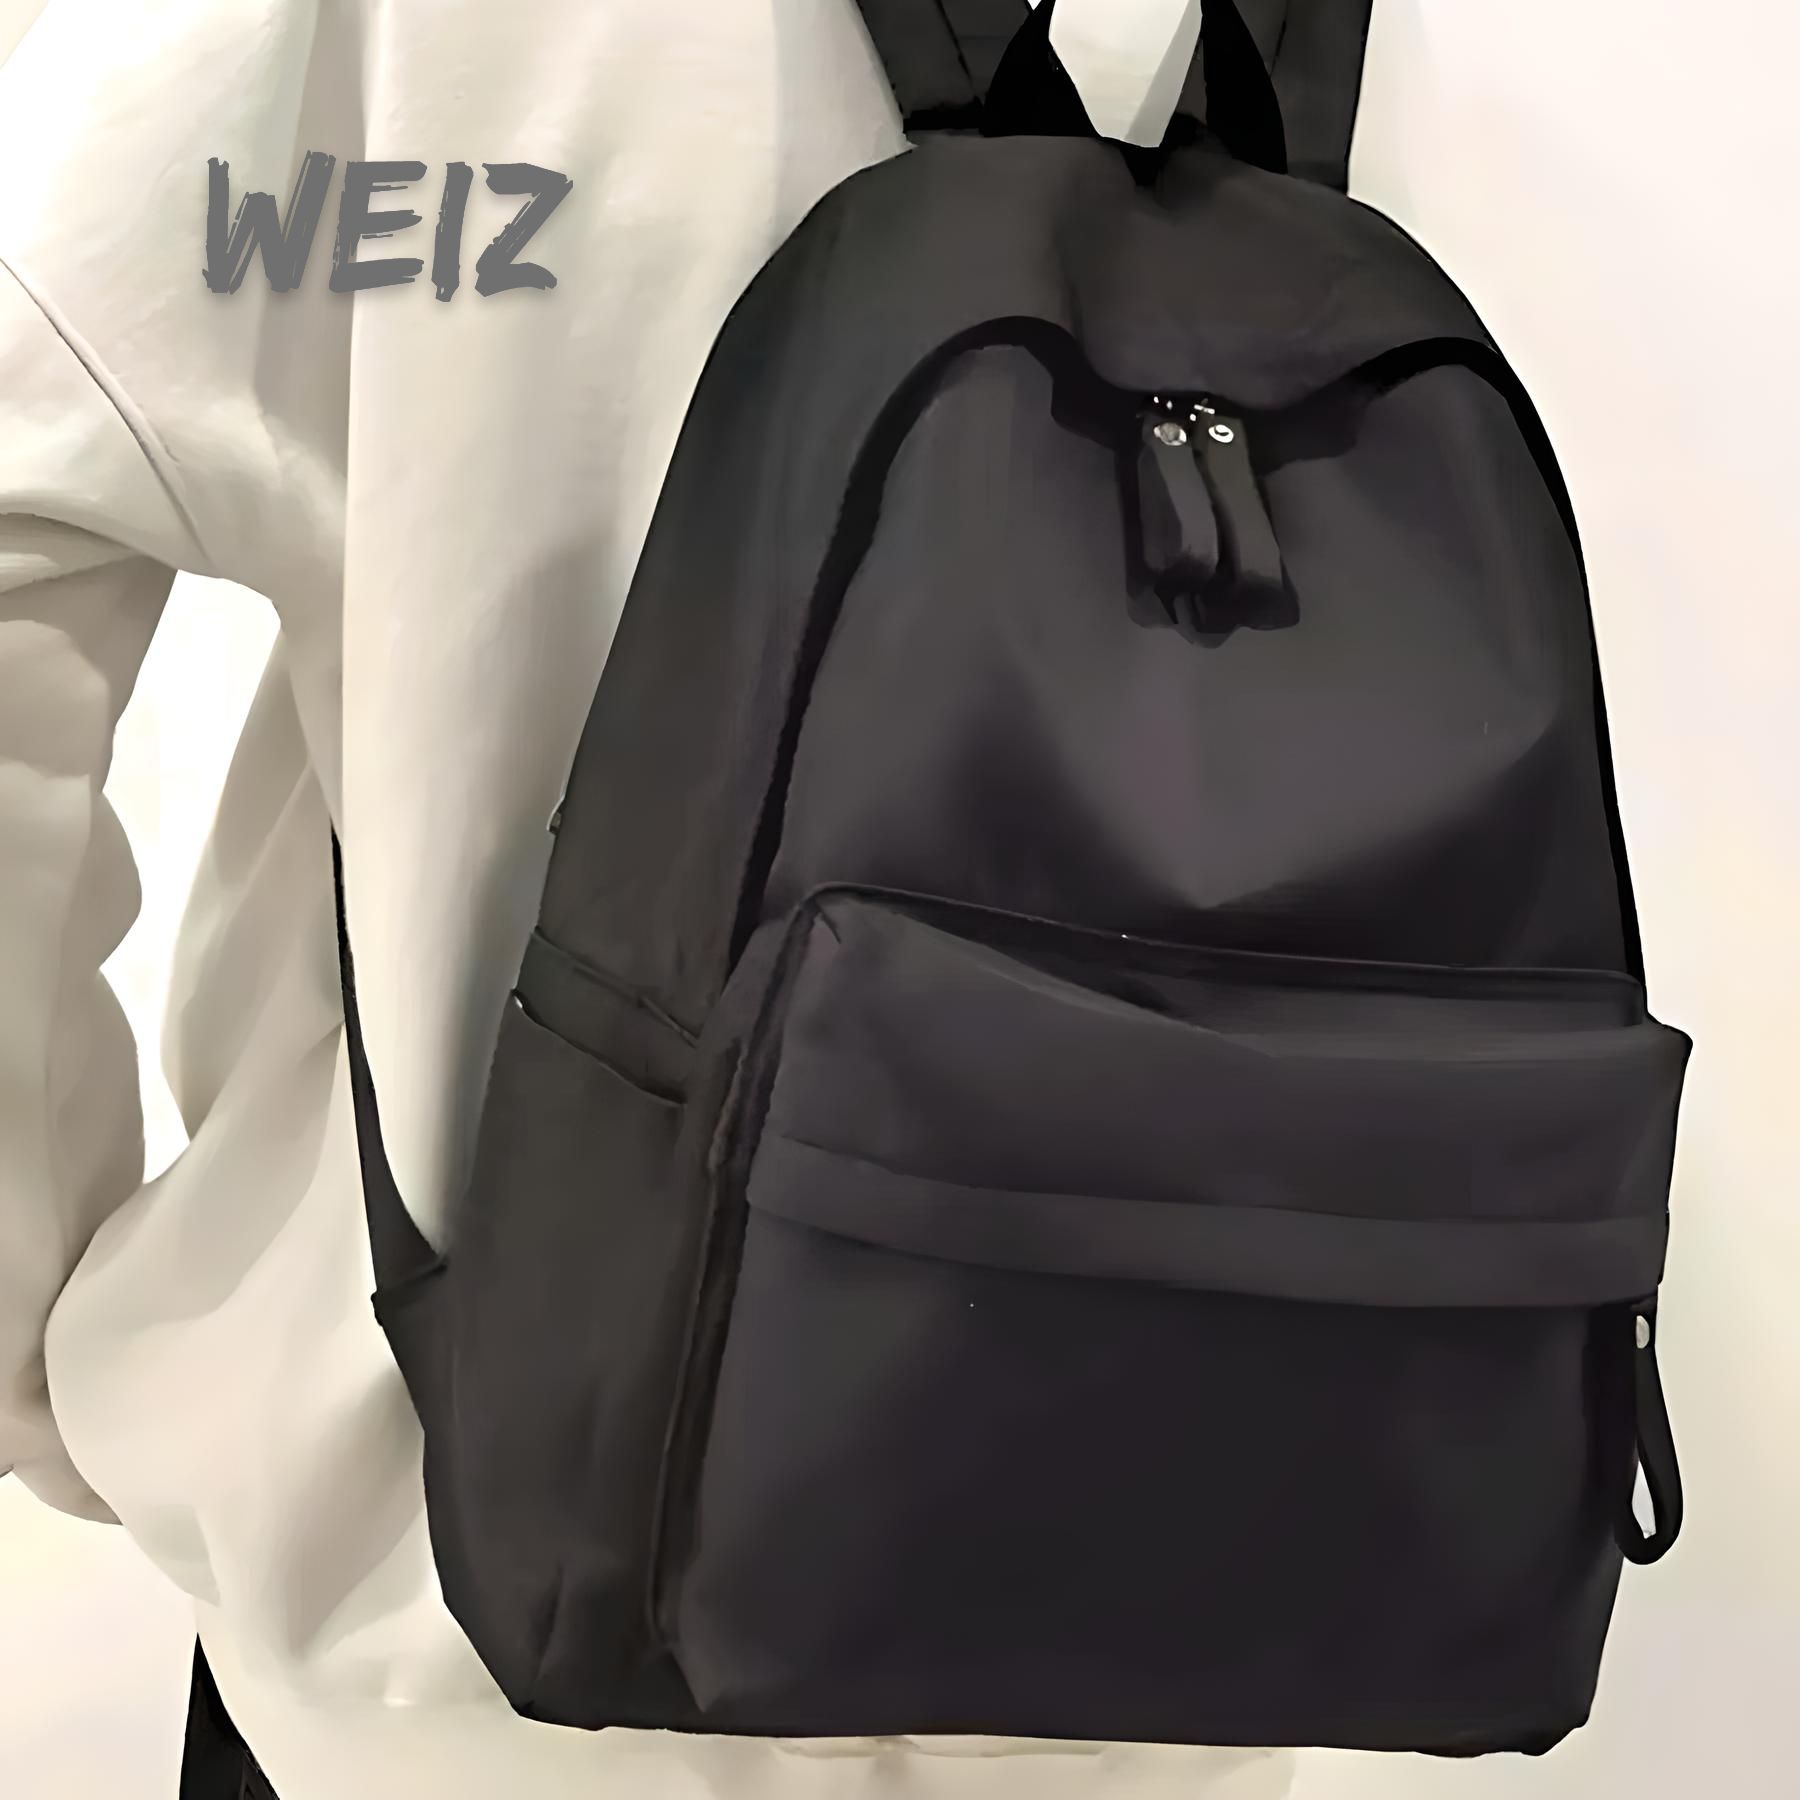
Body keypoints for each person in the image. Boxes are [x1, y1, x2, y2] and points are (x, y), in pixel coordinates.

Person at [0, 2, 1306, 1794]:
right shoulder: (1511, 89)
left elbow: (32, 448)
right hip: (1205, 1633)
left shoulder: (404, 46)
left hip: (453, 1643)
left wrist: (69, 1357)